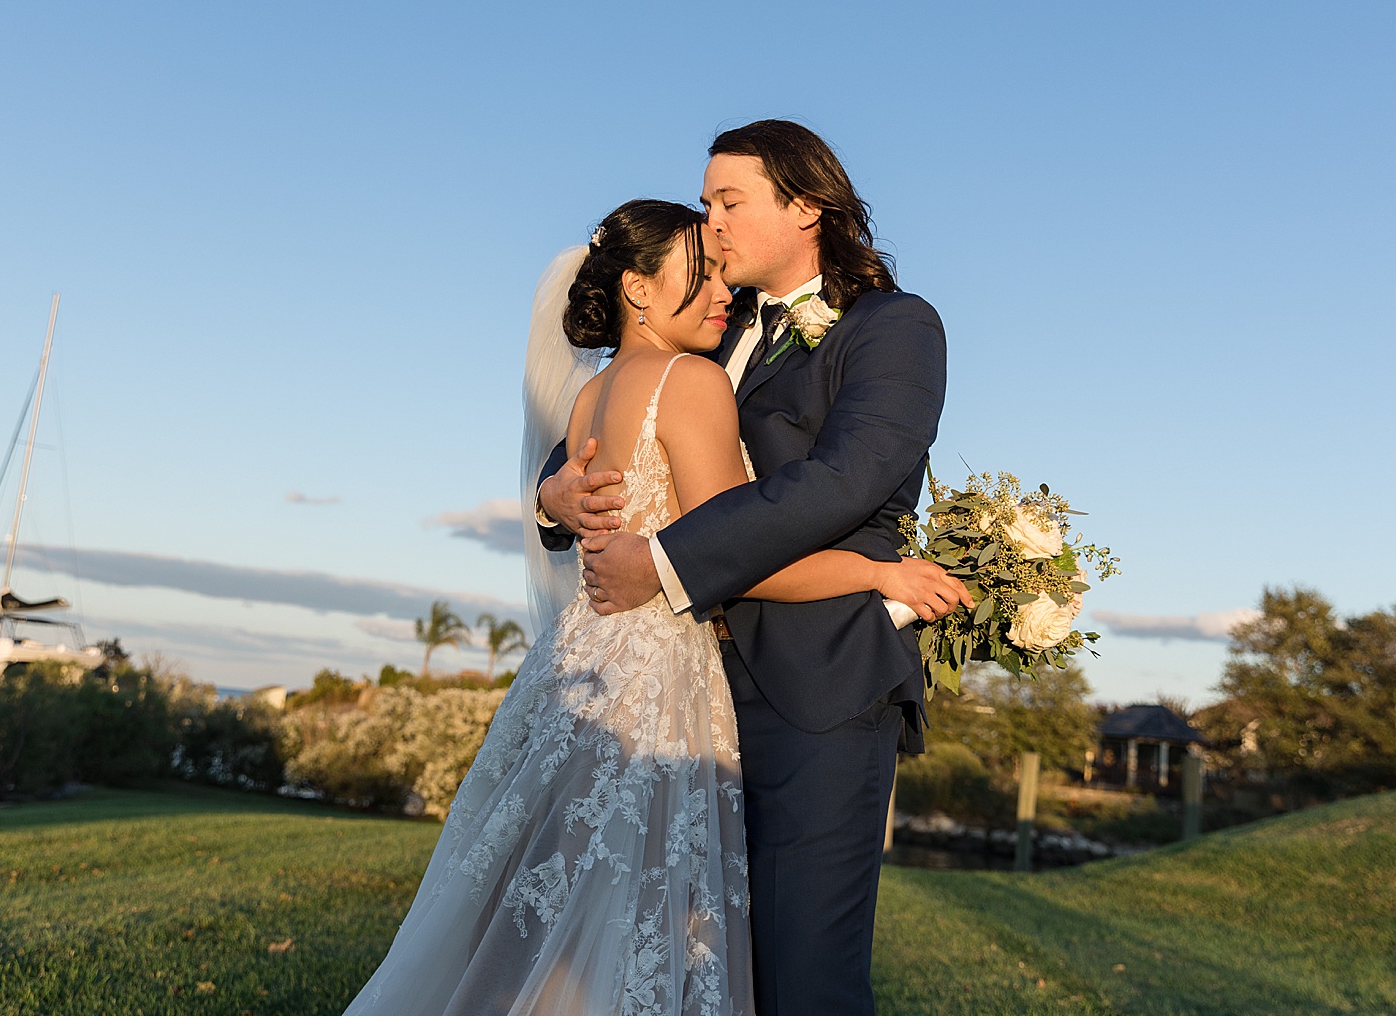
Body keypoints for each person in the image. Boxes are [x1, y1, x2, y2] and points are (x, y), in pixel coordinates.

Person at [346, 197, 956, 1015]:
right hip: (661, 674)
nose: (719, 289)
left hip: (581, 667)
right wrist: (877, 575)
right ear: (638, 289)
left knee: (552, 915)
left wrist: (557, 497)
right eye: (699, 271)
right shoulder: (694, 377)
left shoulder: (592, 390)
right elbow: (743, 551)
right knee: (645, 925)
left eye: (726, 209)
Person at [538, 121, 967, 1014]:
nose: (712, 223)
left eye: (729, 201)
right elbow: (611, 422)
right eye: (704, 204)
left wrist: (662, 560)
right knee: (697, 964)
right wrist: (558, 494)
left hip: (817, 684)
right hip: (691, 689)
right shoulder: (707, 337)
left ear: (806, 206)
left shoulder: (893, 328)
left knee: (802, 973)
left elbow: (841, 481)